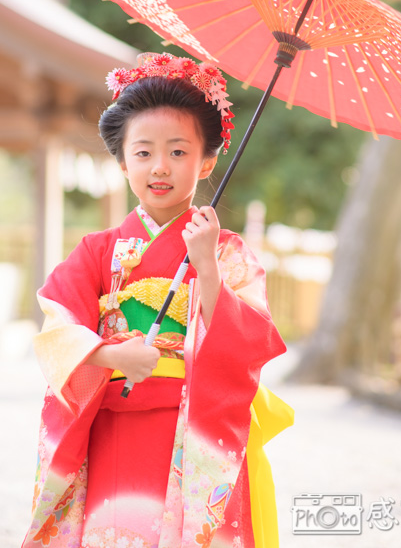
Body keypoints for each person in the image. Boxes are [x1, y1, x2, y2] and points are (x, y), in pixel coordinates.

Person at [23, 53, 294, 548]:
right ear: (124, 161)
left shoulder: (226, 250)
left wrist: (206, 265)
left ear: (207, 161)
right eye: (144, 153)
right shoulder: (97, 250)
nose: (160, 167)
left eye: (178, 152)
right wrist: (110, 354)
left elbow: (251, 342)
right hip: (111, 423)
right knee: (115, 528)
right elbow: (57, 327)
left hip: (193, 428)